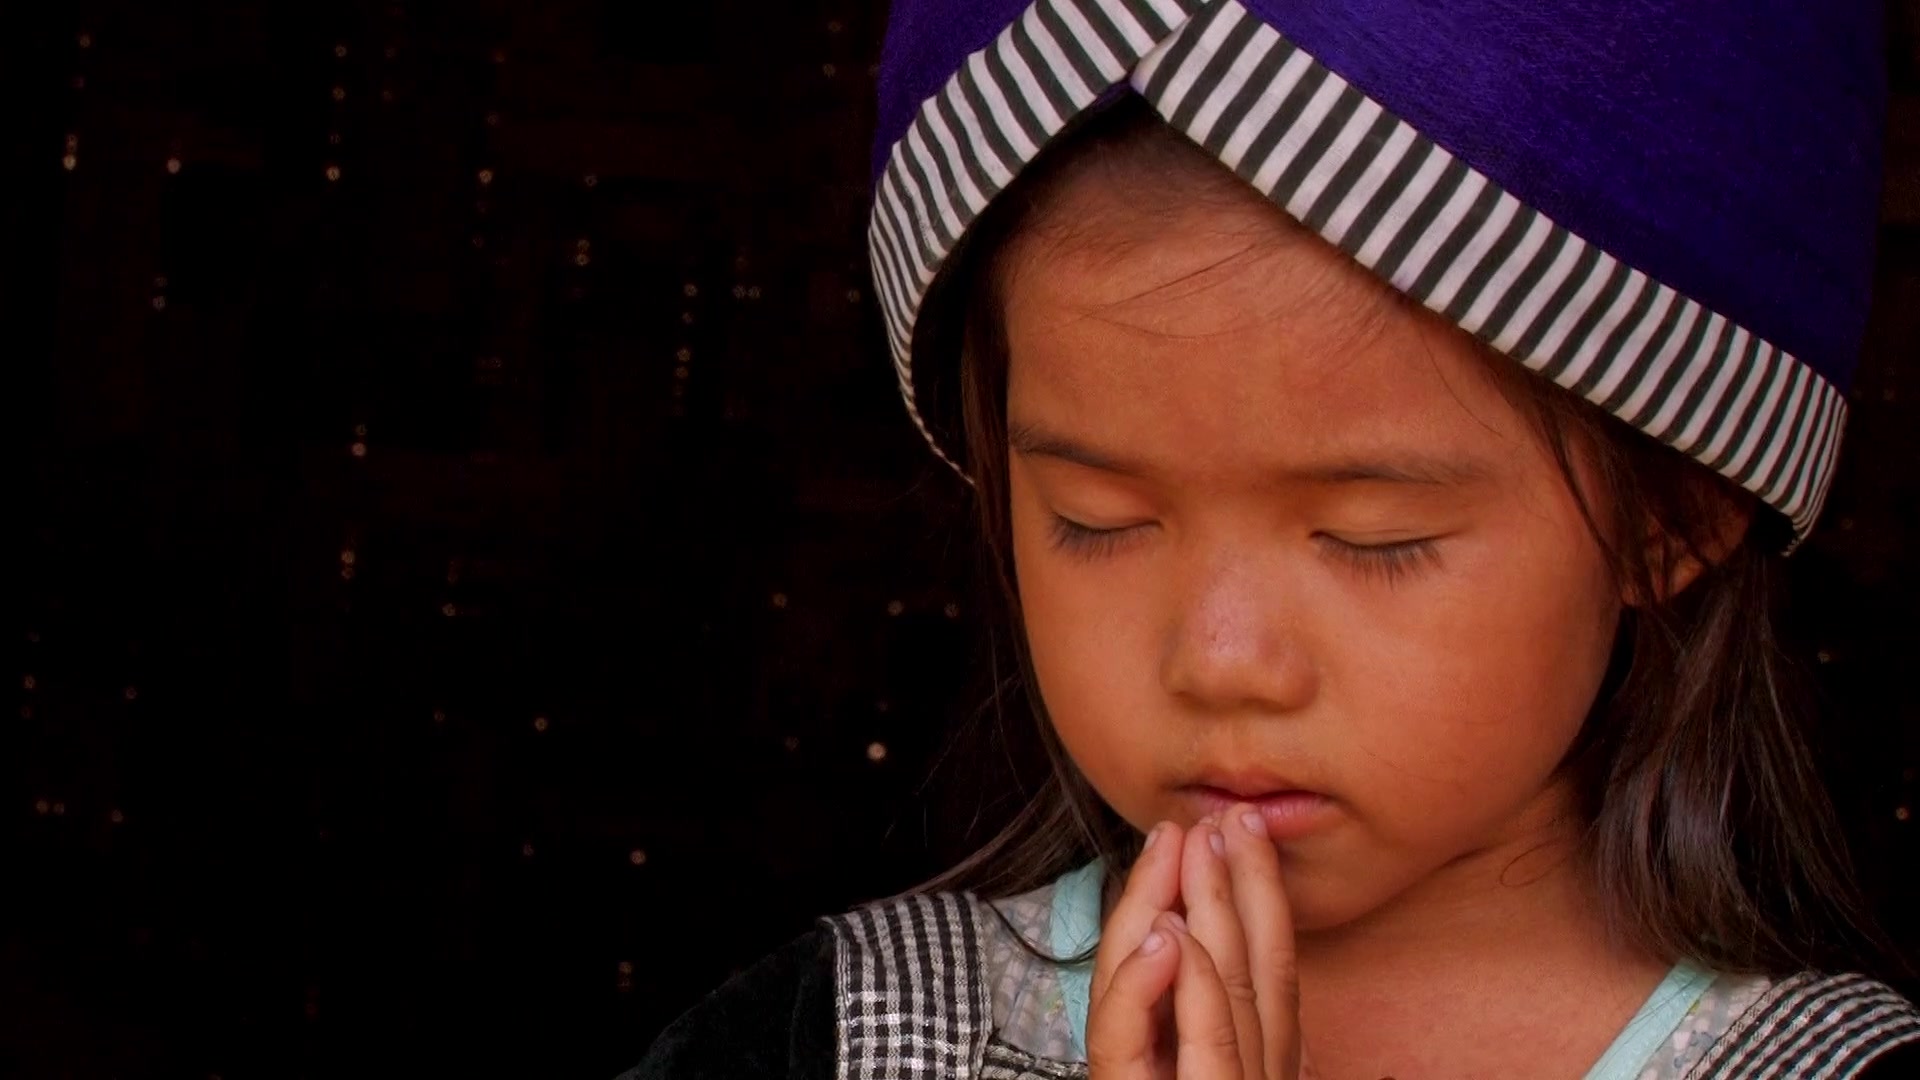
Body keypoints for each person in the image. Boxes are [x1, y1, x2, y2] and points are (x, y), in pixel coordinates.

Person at [628, 0, 1920, 1075]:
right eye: (1099, 520)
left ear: (1675, 511)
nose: (1221, 661)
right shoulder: (838, 1038)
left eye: (1372, 536)